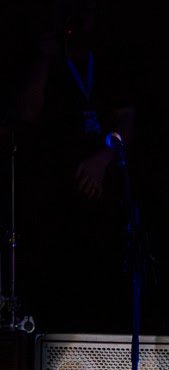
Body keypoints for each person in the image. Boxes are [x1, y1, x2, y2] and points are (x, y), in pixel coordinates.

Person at [11, 0, 138, 334]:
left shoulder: (109, 57)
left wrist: (103, 158)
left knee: (101, 282)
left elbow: (127, 119)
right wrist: (42, 58)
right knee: (53, 286)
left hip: (99, 189)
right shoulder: (42, 58)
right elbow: (26, 113)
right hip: (50, 196)